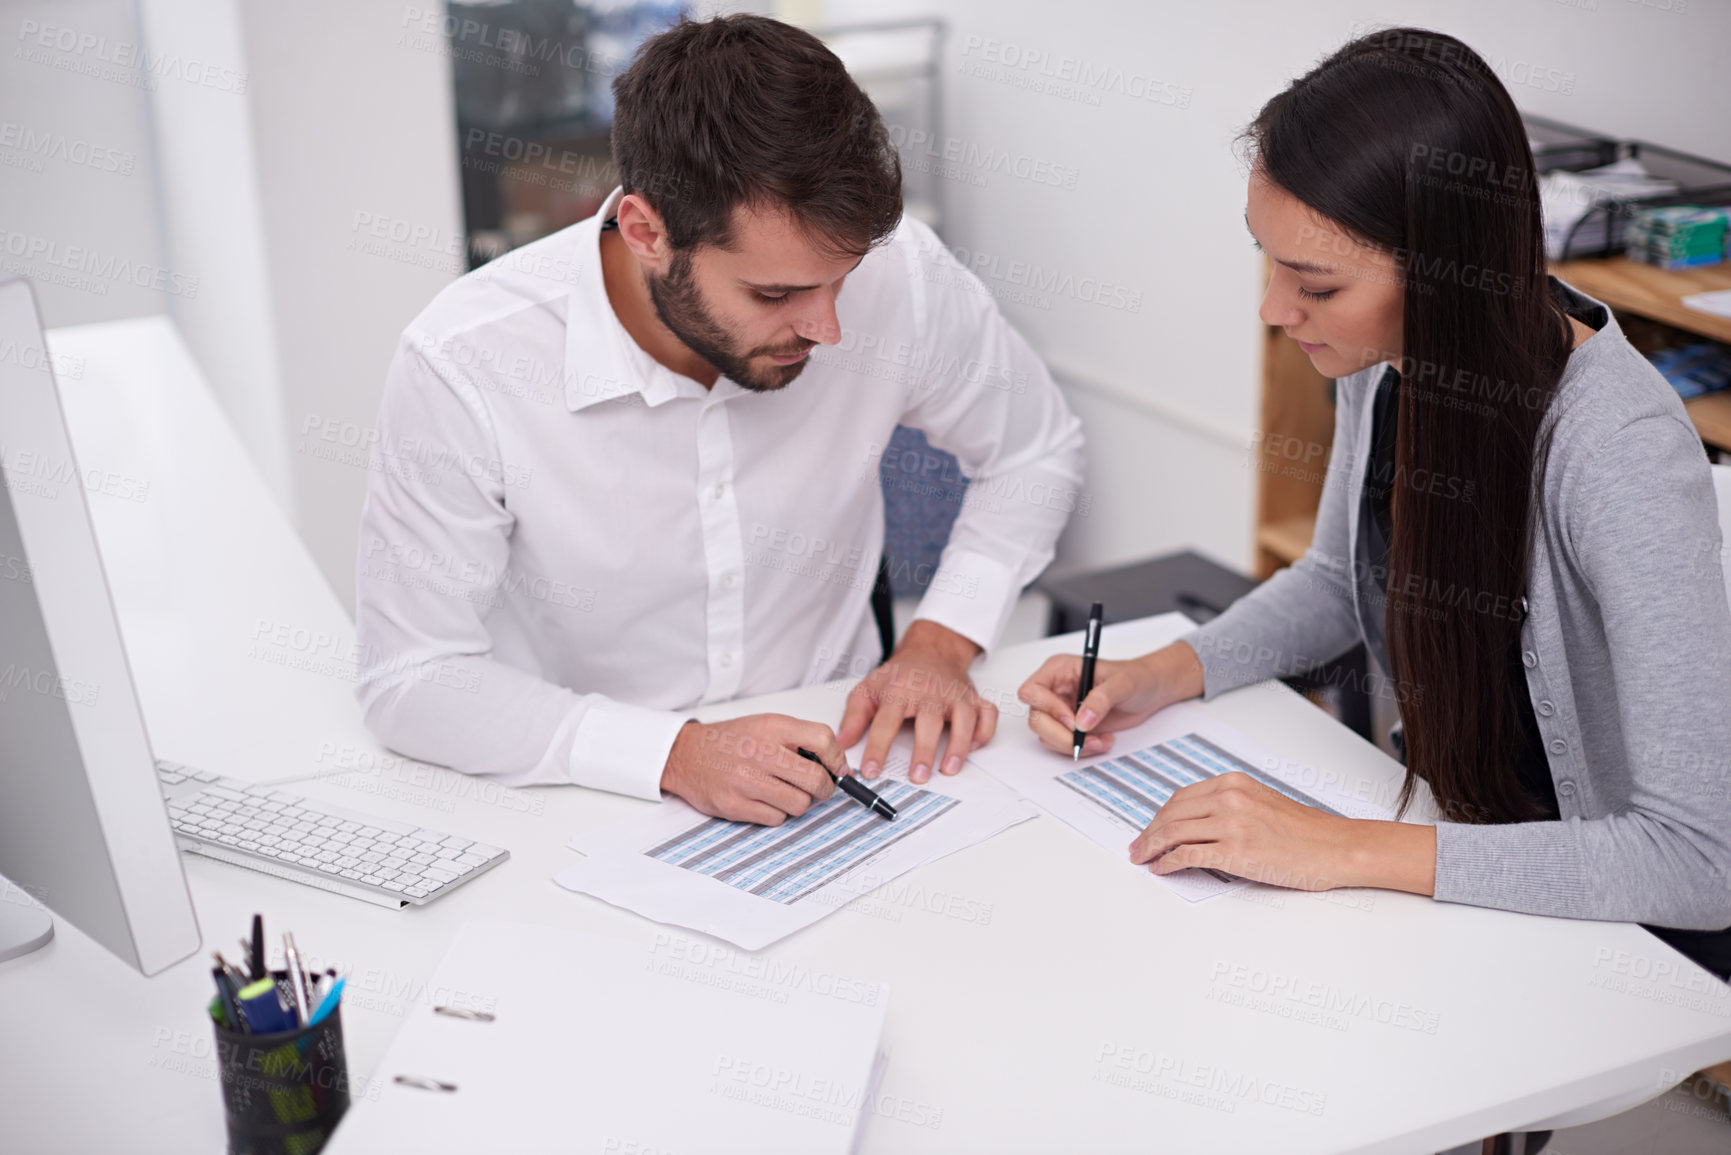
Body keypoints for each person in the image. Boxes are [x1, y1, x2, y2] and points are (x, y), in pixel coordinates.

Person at [1018, 29, 1731, 980]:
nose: (1274, 309)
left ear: (1443, 279)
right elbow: (1332, 583)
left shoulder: (1616, 453)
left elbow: (1696, 859)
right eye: (1268, 263)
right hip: (1445, 838)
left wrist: (1338, 847)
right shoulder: (1386, 359)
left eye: (1314, 284)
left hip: (1600, 922)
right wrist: (1157, 673)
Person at [354, 14, 1084, 825]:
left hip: (851, 775)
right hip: (576, 792)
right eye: (774, 294)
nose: (826, 327)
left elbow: (1033, 453)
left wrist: (942, 640)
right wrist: (673, 753)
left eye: (840, 280)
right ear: (646, 232)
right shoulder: (466, 361)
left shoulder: (898, 273)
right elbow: (410, 676)